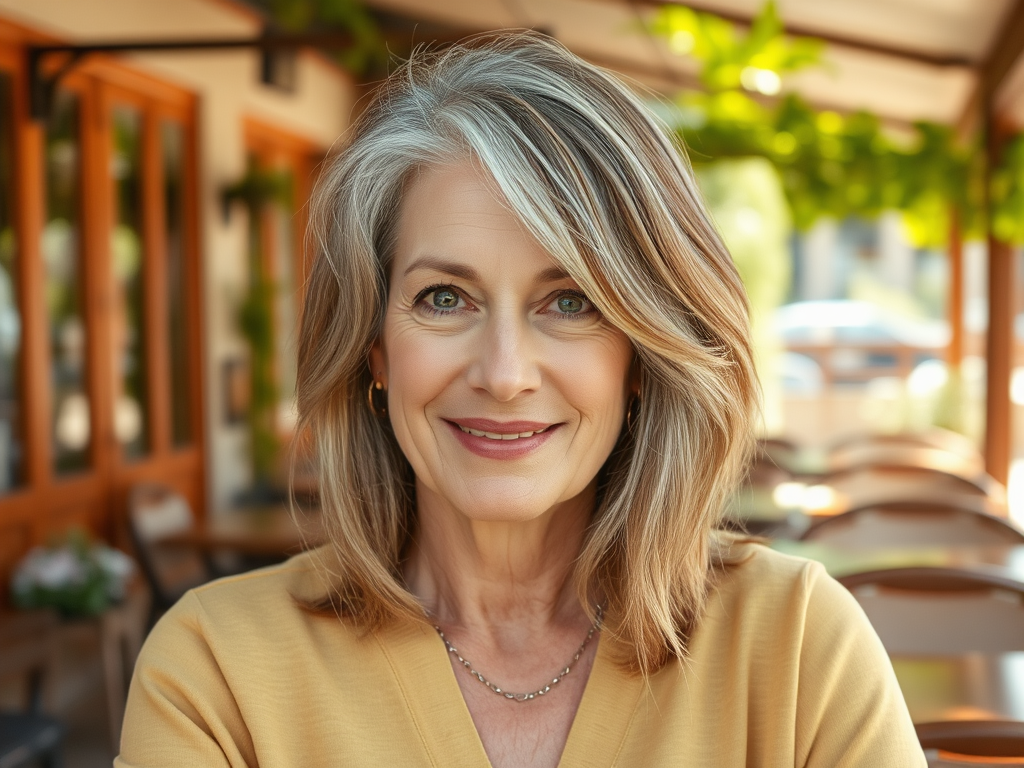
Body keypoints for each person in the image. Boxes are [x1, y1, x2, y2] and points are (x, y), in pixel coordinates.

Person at [117, 32, 926, 767]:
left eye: (570, 302)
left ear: (640, 355)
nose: (504, 374)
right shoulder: (218, 670)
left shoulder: (795, 649)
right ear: (374, 349)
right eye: (443, 298)